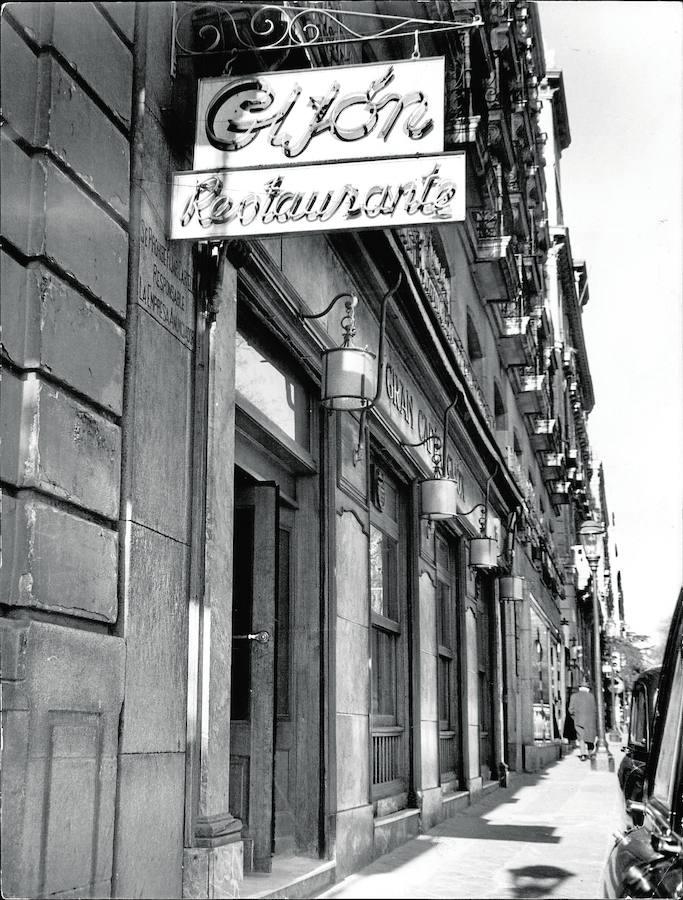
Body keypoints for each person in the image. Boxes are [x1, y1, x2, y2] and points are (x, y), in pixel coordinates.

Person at [568, 680, 598, 760]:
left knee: (581, 737)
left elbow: (570, 709)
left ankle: (583, 754)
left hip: (578, 719)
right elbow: (595, 709)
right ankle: (590, 753)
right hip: (590, 720)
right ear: (588, 688)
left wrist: (574, 717)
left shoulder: (574, 696)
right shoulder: (591, 696)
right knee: (590, 736)